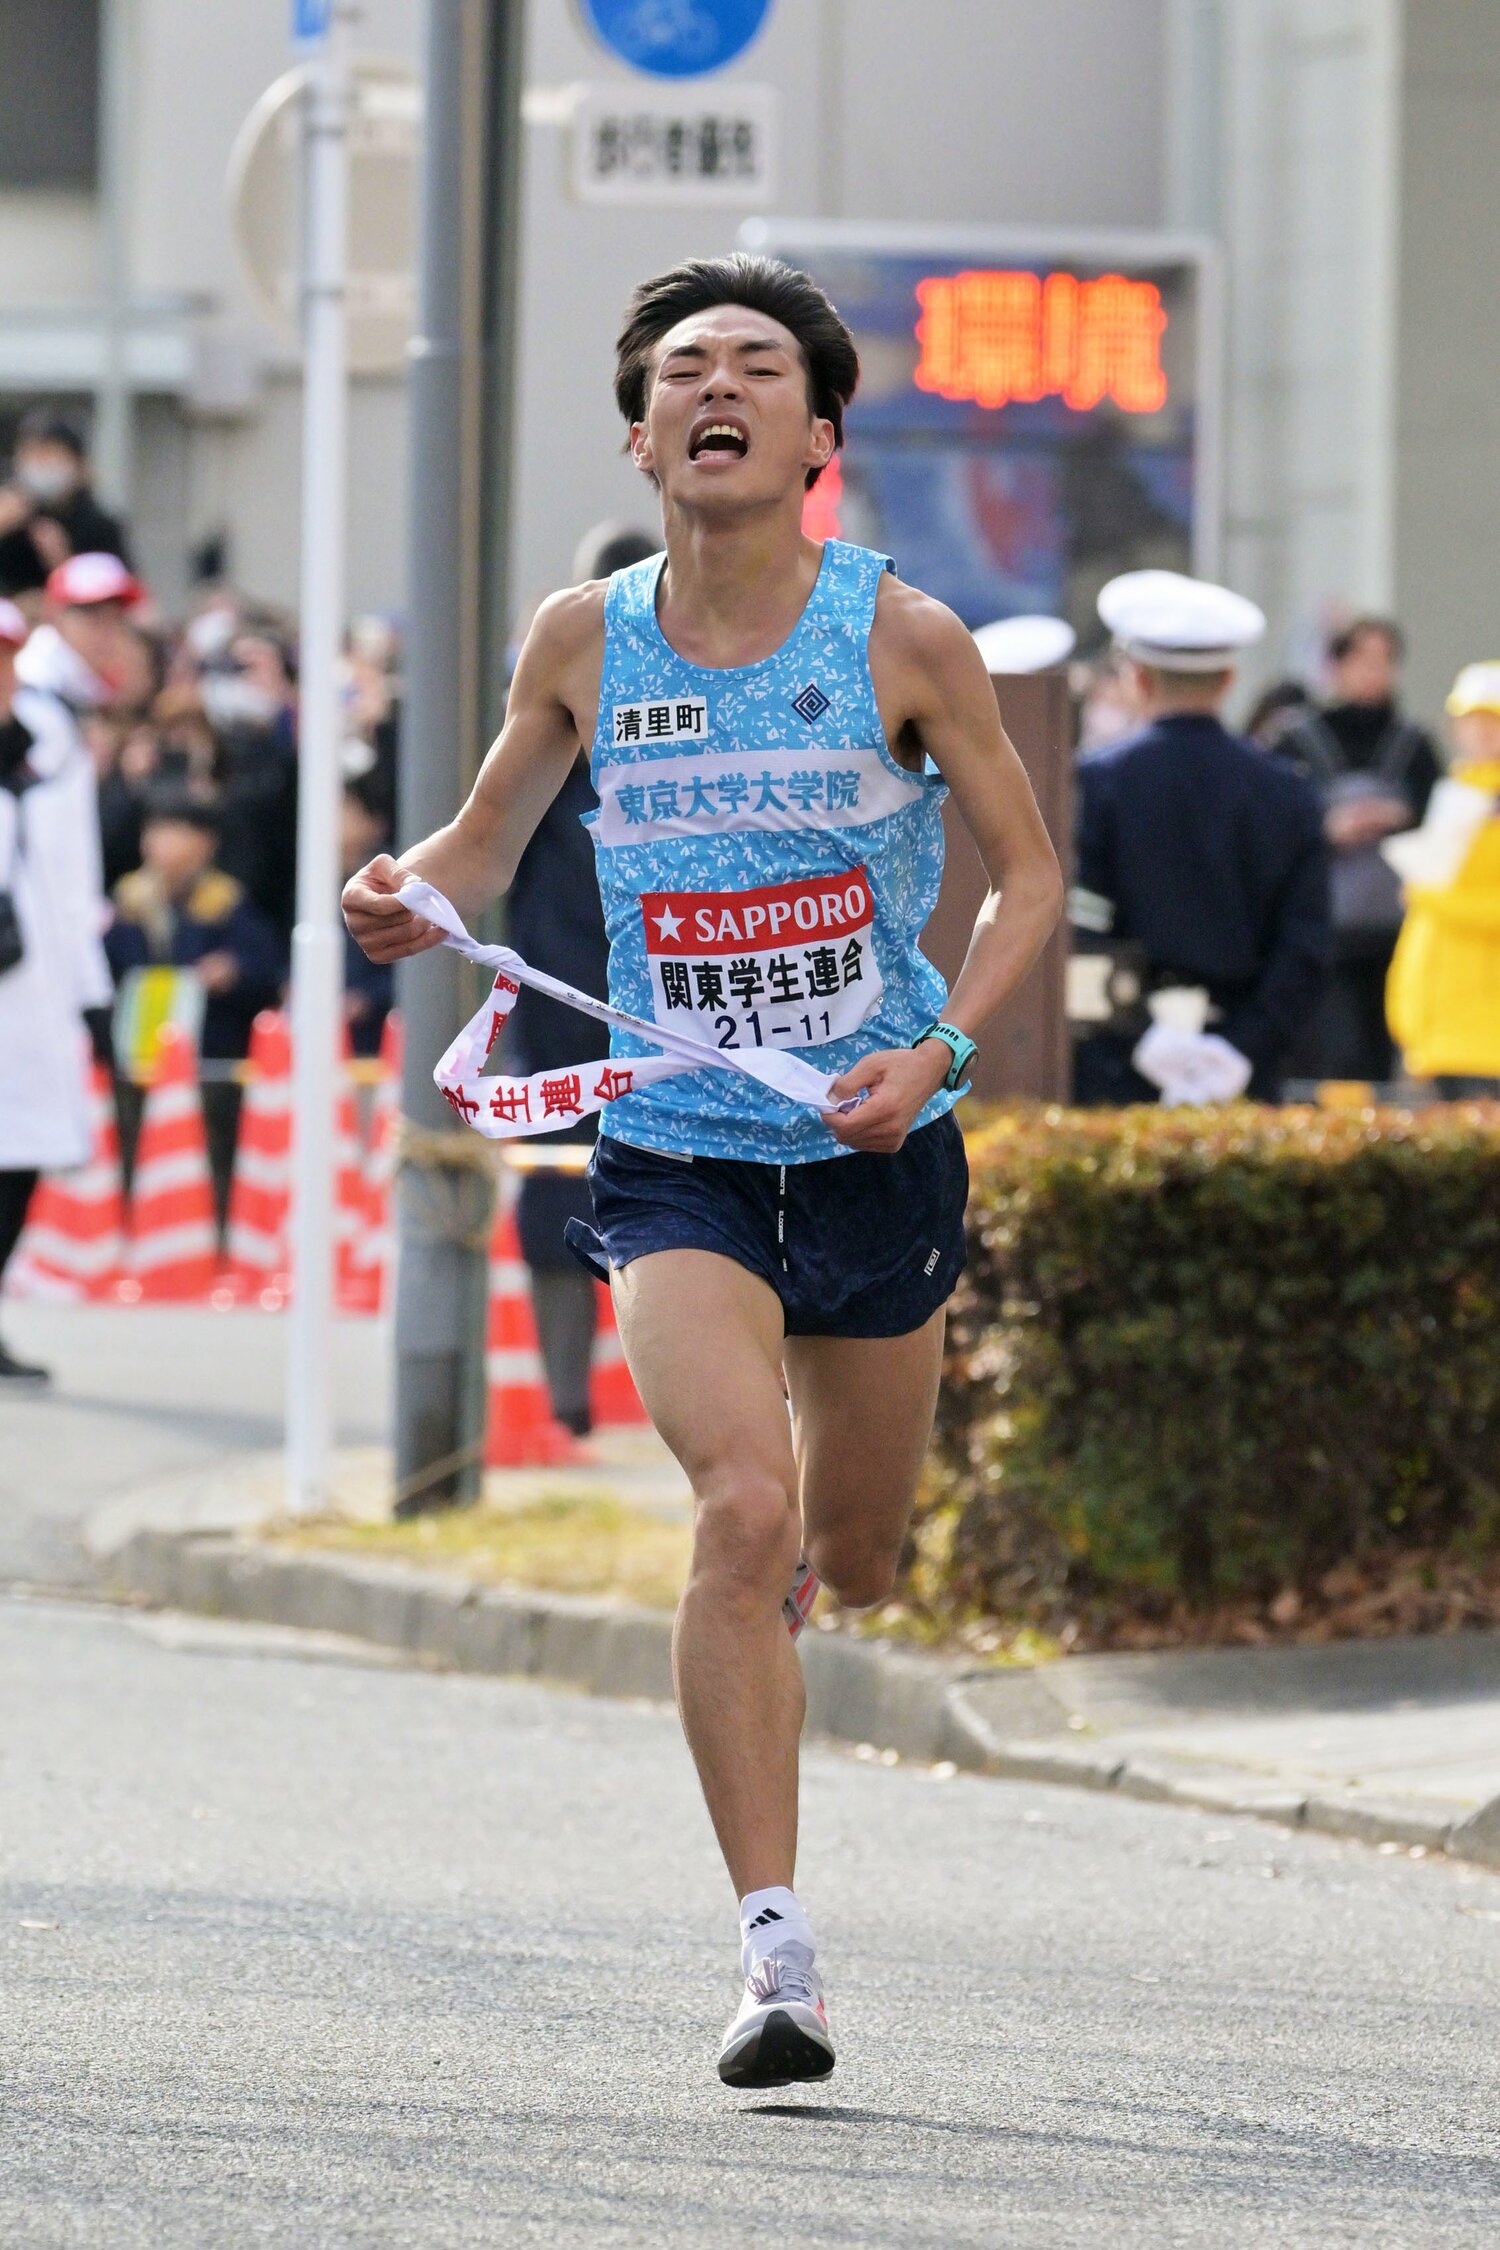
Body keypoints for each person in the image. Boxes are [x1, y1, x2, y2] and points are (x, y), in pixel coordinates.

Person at [343, 253, 1063, 2088]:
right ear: (642, 427)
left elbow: (1030, 876)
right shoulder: (585, 633)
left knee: (860, 1550)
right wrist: (408, 891)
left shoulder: (903, 635)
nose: (717, 388)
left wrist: (943, 1051)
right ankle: (776, 1956)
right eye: (685, 369)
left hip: (875, 1143)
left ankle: (800, 1594)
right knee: (739, 1513)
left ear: (819, 434)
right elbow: (485, 842)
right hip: (677, 1143)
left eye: (757, 367)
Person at [503, 523, 662, 1439]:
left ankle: (571, 1393)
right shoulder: (706, 696)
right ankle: (633, 1395)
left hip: (560, 991)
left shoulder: (543, 701)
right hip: (677, 991)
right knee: (685, 1181)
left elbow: (492, 852)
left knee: (565, 1178)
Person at [1072, 570, 1330, 1106]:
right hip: (1245, 1069)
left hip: (1118, 1065)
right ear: (1229, 679)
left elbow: (1081, 926)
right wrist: (1240, 1050)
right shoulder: (1288, 792)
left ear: (1137, 678)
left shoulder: (1095, 784)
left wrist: (1150, 1039)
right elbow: (1305, 943)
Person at [0, 598, 113, 1383]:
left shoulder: (37, 751)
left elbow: (66, 880)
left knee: (24, 1149)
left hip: (25, 991)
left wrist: (87, 989)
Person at [105, 792, 286, 1229]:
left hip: (210, 1063)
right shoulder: (129, 903)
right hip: (136, 1063)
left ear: (206, 843)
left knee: (209, 1157)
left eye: (176, 831)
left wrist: (233, 970)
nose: (162, 843)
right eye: (156, 830)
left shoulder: (225, 902)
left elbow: (266, 967)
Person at [1276, 616, 1441, 1082]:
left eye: (1385, 660)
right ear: (1336, 666)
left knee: (1387, 1063)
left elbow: (1444, 831)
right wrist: (1326, 830)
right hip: (1326, 934)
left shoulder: (1415, 746)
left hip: (1401, 933)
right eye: (1361, 659)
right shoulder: (1297, 741)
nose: (1373, 671)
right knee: (1338, 1061)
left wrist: (1403, 822)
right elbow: (1275, 830)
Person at [1385, 662, 1500, 1098]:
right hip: (1437, 1031)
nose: (1484, 733)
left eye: (1494, 721)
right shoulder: (1455, 794)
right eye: (1474, 721)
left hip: (1486, 1036)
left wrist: (1430, 900)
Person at [0, 411, 133, 600]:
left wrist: (65, 563)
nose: (40, 463)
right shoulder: (10, 518)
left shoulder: (98, 525)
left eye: (50, 453)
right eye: (32, 453)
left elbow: (127, 600)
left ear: (79, 464)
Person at [16, 552, 150, 716]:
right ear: (55, 618)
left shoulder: (99, 678)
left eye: (114, 617)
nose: (106, 630)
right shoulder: (34, 679)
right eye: (92, 615)